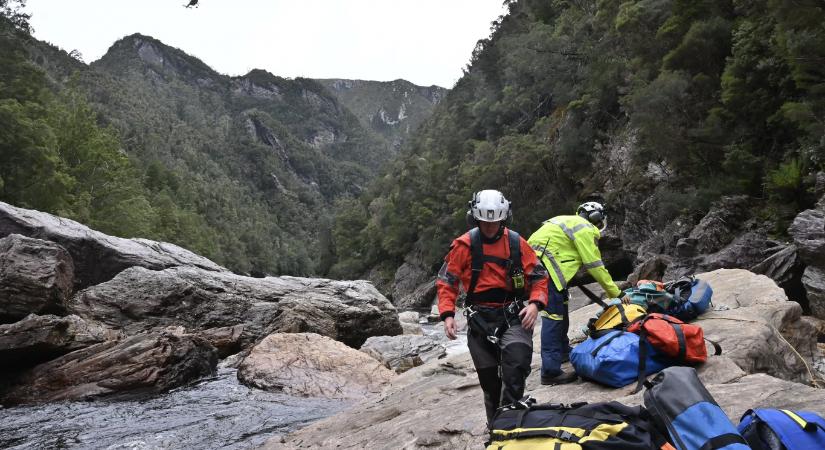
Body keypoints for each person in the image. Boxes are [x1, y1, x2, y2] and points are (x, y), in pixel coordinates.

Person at [436, 189, 549, 426]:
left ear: (503, 218)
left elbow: (539, 276)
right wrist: (447, 314)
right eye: (485, 222)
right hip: (479, 320)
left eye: (495, 222)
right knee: (490, 383)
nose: (490, 227)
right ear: (475, 218)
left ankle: (510, 424)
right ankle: (495, 428)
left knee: (516, 365)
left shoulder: (517, 243)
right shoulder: (464, 245)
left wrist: (536, 304)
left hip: (513, 314)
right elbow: (448, 281)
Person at [527, 201, 626, 385]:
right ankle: (550, 372)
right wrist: (616, 293)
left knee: (561, 311)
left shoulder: (565, 220)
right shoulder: (585, 228)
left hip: (538, 267)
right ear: (596, 218)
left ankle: (564, 352)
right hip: (547, 271)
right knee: (553, 318)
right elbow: (594, 265)